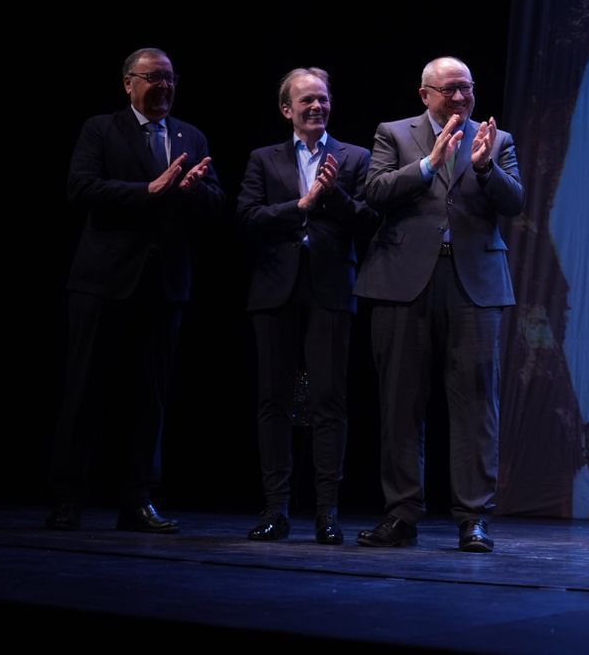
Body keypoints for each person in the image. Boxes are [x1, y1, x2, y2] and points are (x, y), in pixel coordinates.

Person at [47, 47, 224, 533]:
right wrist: (147, 191)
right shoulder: (101, 129)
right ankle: (68, 498)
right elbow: (80, 190)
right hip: (103, 282)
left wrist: (193, 192)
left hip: (164, 285)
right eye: (153, 78)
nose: (164, 87)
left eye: (170, 79)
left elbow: (217, 203)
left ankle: (138, 500)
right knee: (85, 390)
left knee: (149, 397)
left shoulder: (191, 135)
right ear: (128, 83)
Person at [354, 57, 523, 553]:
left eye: (466, 88)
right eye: (449, 89)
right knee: (401, 402)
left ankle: (473, 517)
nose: (459, 98)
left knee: (476, 404)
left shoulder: (497, 139)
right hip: (404, 281)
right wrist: (430, 163)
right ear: (424, 93)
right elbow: (375, 191)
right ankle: (401, 513)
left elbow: (514, 203)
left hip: (473, 283)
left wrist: (485, 166)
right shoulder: (394, 134)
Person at [237, 68, 375, 545]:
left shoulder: (355, 157)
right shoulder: (263, 159)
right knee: (275, 400)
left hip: (330, 290)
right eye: (307, 101)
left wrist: (332, 197)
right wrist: (301, 204)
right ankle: (276, 509)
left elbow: (368, 221)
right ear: (286, 109)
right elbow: (248, 218)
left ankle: (326, 513)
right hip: (275, 290)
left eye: (323, 100)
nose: (317, 107)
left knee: (327, 401)